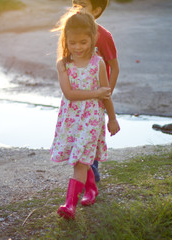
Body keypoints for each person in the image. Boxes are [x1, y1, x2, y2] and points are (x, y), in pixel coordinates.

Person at [50, 9, 120, 220]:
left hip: (91, 118)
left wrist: (112, 118)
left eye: (83, 42)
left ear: (92, 39)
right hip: (71, 118)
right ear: (66, 41)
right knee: (77, 156)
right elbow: (69, 94)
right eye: (72, 43)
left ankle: (69, 205)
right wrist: (95, 93)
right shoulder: (63, 65)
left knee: (80, 160)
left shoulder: (98, 63)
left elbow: (106, 95)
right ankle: (91, 189)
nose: (78, 47)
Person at [72, 0, 119, 182]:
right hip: (76, 97)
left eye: (82, 5)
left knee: (91, 137)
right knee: (76, 134)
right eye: (75, 4)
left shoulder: (103, 36)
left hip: (97, 98)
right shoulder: (71, 32)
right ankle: (82, 174)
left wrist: (106, 94)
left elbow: (114, 68)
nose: (77, 9)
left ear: (96, 10)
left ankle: (91, 177)